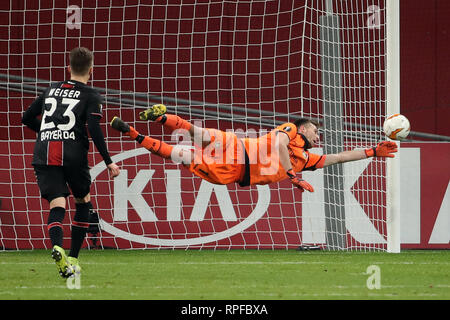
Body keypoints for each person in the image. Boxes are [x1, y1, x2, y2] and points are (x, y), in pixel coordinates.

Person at [110, 104, 397, 190]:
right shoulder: (291, 131)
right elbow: (281, 144)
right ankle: (162, 117)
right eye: (315, 129)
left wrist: (372, 151)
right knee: (197, 134)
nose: (317, 135)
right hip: (239, 147)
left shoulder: (306, 159)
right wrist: (291, 175)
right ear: (304, 126)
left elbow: (337, 157)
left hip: (232, 172)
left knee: (181, 153)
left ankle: (133, 132)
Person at [22, 47, 120, 278]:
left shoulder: (51, 89)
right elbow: (94, 130)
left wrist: (47, 131)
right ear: (91, 70)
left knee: (57, 205)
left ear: (68, 68)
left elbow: (26, 118)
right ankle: (74, 257)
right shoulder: (91, 95)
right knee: (83, 201)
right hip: (73, 154)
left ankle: (57, 247)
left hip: (44, 153)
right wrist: (108, 161)